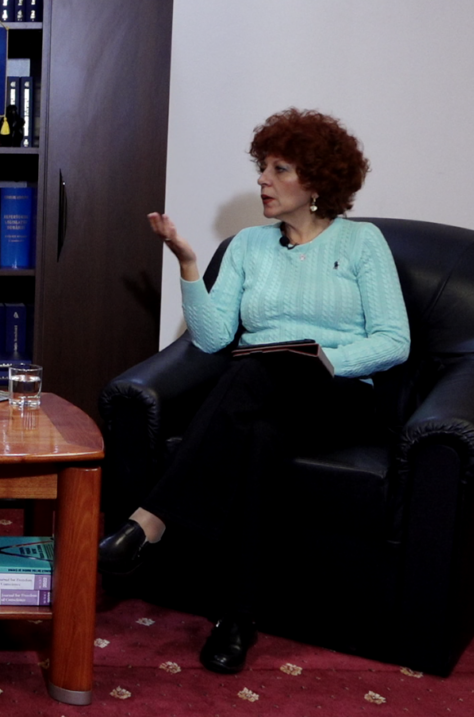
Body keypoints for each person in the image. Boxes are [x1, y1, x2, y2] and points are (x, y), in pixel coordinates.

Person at [97, 108, 410, 674]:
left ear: (315, 182)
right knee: (257, 431)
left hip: (336, 396)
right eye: (262, 167)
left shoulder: (364, 243)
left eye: (278, 169)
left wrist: (324, 361)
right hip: (261, 395)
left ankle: (151, 518)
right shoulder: (246, 246)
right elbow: (213, 338)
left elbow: (394, 340)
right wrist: (189, 264)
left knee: (257, 373)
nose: (262, 180)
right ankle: (237, 618)